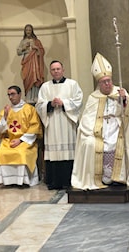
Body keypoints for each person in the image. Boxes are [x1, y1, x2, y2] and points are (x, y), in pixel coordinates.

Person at [71, 53, 129, 190]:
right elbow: (87, 118)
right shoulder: (93, 97)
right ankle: (100, 177)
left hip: (116, 127)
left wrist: (124, 100)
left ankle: (118, 177)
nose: (107, 84)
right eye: (104, 82)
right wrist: (94, 132)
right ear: (99, 83)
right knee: (90, 144)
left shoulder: (120, 92)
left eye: (109, 81)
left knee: (119, 143)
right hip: (98, 130)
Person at [35, 60, 83, 190]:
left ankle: (69, 181)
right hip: (52, 123)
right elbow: (39, 105)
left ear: (63, 70)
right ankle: (54, 182)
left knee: (69, 153)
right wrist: (50, 104)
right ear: (50, 72)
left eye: (58, 69)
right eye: (53, 69)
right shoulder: (45, 87)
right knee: (54, 154)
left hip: (67, 122)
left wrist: (64, 103)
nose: (56, 71)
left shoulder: (72, 84)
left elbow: (78, 101)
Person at [0, 85, 43, 187]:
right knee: (3, 152)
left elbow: (34, 127)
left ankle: (24, 180)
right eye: (9, 95)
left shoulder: (29, 109)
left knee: (21, 152)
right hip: (10, 140)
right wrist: (5, 116)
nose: (11, 97)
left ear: (20, 94)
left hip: (25, 141)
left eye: (13, 94)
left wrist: (20, 140)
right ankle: (8, 181)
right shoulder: (6, 110)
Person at [17, 24, 45, 104]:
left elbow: (42, 52)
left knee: (35, 76)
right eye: (27, 30)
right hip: (27, 61)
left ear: (32, 31)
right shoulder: (23, 41)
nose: (28, 32)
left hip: (35, 61)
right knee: (28, 77)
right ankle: (29, 96)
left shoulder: (37, 41)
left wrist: (37, 48)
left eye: (29, 30)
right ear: (25, 32)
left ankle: (36, 96)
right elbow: (18, 52)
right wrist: (24, 47)